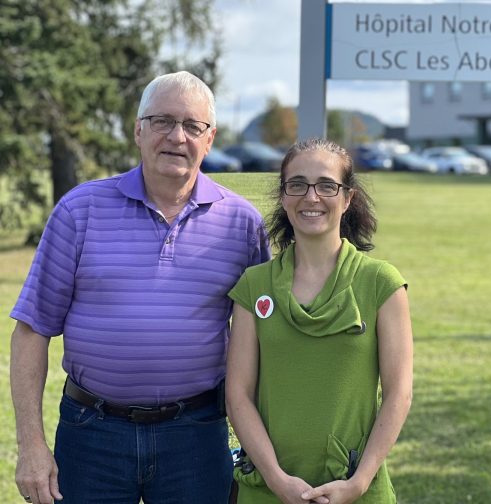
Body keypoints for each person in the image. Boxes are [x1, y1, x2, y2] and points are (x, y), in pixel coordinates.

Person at [10, 70, 271, 504]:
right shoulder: (80, 210)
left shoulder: (242, 224)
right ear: (138, 131)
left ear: (210, 139)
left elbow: (266, 338)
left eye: (192, 126)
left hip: (196, 436)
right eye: (162, 121)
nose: (177, 136)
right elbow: (31, 331)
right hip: (92, 434)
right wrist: (31, 446)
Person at [226, 138, 413, 504]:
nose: (311, 197)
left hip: (356, 490)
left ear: (348, 198)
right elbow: (238, 396)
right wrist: (277, 480)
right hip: (267, 491)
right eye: (297, 184)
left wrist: (358, 483)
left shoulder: (381, 283)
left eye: (327, 185)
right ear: (283, 196)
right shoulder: (254, 285)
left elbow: (399, 394)